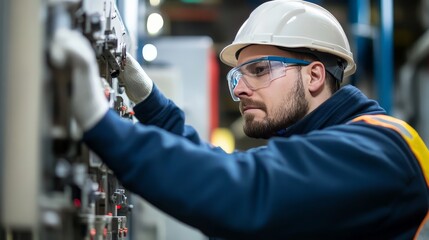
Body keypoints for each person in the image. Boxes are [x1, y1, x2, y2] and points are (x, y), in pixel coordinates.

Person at [51, 0, 429, 239]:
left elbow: (246, 190)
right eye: (238, 77)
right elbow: (223, 167)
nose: (241, 91)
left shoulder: (380, 149)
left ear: (314, 75)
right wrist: (149, 100)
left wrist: (101, 123)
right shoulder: (335, 142)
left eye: (260, 70)